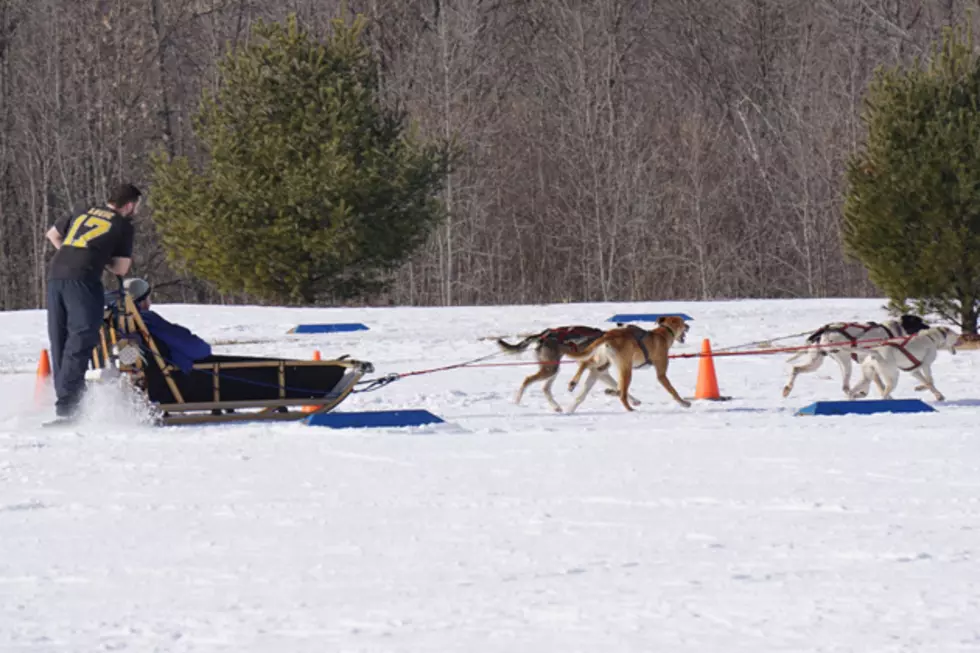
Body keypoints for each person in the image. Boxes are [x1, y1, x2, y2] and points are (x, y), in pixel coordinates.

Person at [46, 183, 140, 419]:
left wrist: (73, 254)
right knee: (82, 337)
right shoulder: (122, 225)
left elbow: (53, 234)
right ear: (128, 205)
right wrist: (98, 258)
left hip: (56, 273)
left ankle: (64, 401)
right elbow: (121, 268)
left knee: (60, 338)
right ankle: (69, 407)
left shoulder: (83, 209)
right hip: (83, 279)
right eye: (137, 206)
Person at [123, 277, 212, 374]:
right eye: (149, 298)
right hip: (165, 377)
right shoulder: (147, 320)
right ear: (143, 300)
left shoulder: (123, 322)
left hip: (148, 370)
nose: (150, 302)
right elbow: (195, 348)